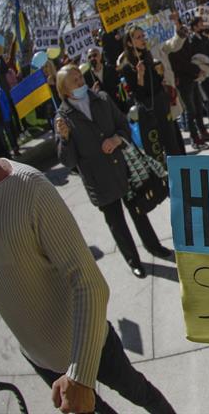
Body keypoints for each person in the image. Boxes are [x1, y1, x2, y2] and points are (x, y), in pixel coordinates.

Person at [0, 75, 175, 414]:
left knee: (141, 394)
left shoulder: (29, 189)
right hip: (44, 363)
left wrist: (80, 375)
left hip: (92, 346)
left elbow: (90, 285)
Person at [55, 65, 172, 279]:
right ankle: (133, 261)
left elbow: (123, 125)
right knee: (117, 223)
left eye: (80, 77)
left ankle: (154, 246)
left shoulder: (102, 99)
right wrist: (65, 139)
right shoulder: (63, 119)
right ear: (64, 90)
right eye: (75, 80)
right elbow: (68, 160)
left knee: (139, 211)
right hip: (99, 180)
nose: (81, 82)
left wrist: (116, 139)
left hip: (123, 169)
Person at [118, 24, 184, 160]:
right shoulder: (127, 67)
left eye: (143, 36)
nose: (143, 39)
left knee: (173, 144)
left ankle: (179, 169)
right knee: (156, 150)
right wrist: (140, 75)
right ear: (130, 43)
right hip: (147, 112)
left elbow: (157, 84)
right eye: (138, 37)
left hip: (162, 106)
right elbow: (138, 95)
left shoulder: (149, 58)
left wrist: (161, 76)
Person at [168, 19, 209, 150]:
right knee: (190, 111)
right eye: (177, 25)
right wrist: (196, 70)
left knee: (198, 106)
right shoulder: (171, 44)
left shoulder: (185, 38)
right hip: (183, 80)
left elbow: (191, 55)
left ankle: (203, 131)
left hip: (192, 78)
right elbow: (179, 62)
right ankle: (194, 138)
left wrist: (200, 67)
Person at [83, 47, 126, 112]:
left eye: (94, 55)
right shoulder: (86, 76)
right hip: (103, 109)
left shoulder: (111, 69)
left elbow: (120, 87)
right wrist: (93, 91)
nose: (92, 58)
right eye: (89, 57)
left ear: (100, 56)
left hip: (117, 105)